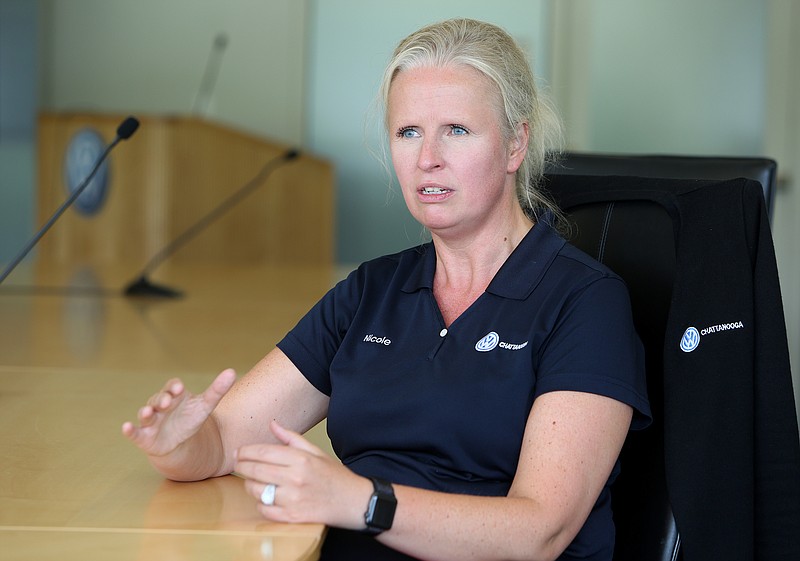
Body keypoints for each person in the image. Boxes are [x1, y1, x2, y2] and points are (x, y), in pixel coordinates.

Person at [122, 18, 651, 561]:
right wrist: (180, 448)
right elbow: (226, 440)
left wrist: (359, 501)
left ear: (515, 144)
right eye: (409, 132)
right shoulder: (373, 289)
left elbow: (540, 532)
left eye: (457, 130)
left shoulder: (586, 301)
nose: (428, 159)